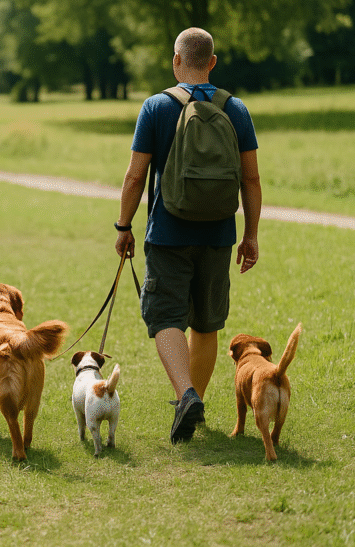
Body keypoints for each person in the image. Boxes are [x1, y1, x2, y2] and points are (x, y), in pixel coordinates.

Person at [114, 27, 261, 444]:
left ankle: (187, 396)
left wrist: (123, 226)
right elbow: (251, 180)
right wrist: (250, 235)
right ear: (212, 62)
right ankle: (191, 401)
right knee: (207, 321)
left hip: (168, 234)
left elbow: (135, 175)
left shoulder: (156, 106)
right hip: (218, 234)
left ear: (176, 60)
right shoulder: (236, 109)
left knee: (165, 317)